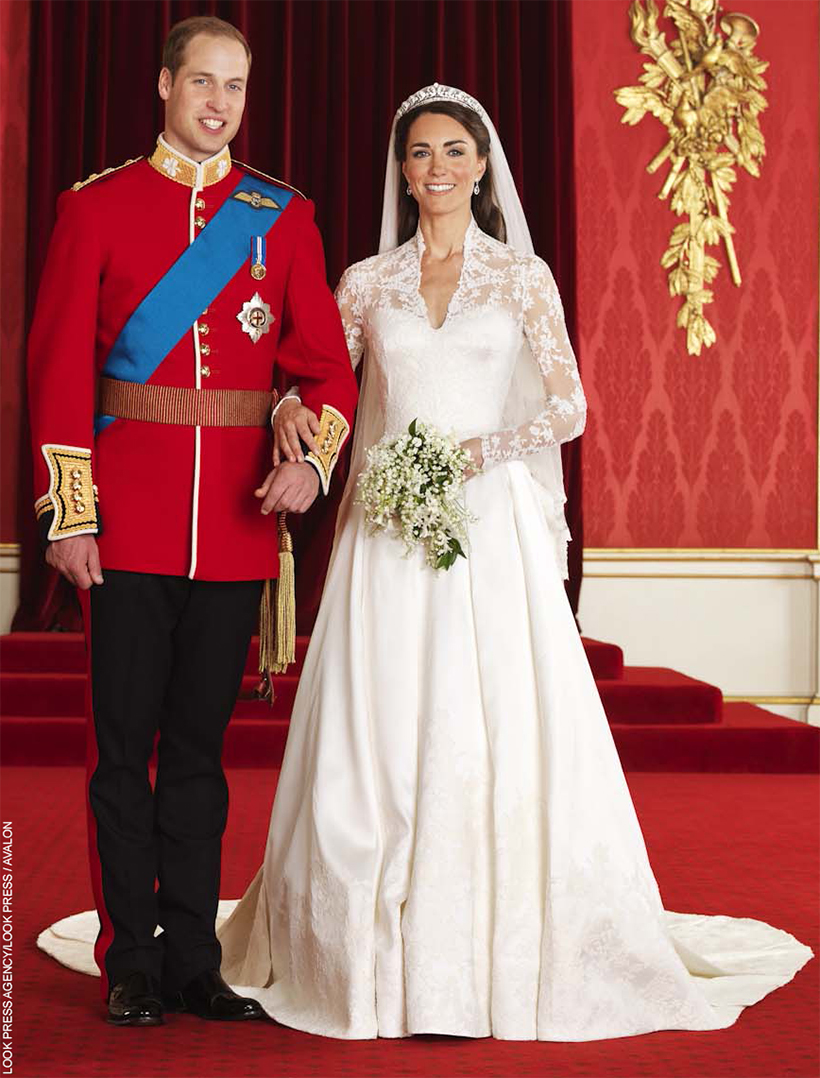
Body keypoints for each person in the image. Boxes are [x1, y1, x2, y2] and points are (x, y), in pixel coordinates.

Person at [215, 84, 812, 1040]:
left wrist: (475, 456)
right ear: (401, 170)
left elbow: (568, 408)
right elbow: (325, 380)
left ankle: (488, 956)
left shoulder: (522, 279)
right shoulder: (367, 281)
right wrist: (289, 406)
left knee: (484, 721)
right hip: (387, 530)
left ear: (483, 166)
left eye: (455, 151)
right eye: (420, 154)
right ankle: (366, 957)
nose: (437, 168)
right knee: (380, 723)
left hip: (487, 528)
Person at [27, 15, 357, 1027]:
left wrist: (308, 460)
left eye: (235, 88)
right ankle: (130, 958)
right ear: (165, 86)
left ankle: (193, 961)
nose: (219, 105)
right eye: (202, 83)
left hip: (233, 530)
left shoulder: (279, 216)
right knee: (124, 752)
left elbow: (325, 369)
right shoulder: (96, 207)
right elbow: (53, 375)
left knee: (203, 755)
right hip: (124, 524)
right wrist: (69, 517)